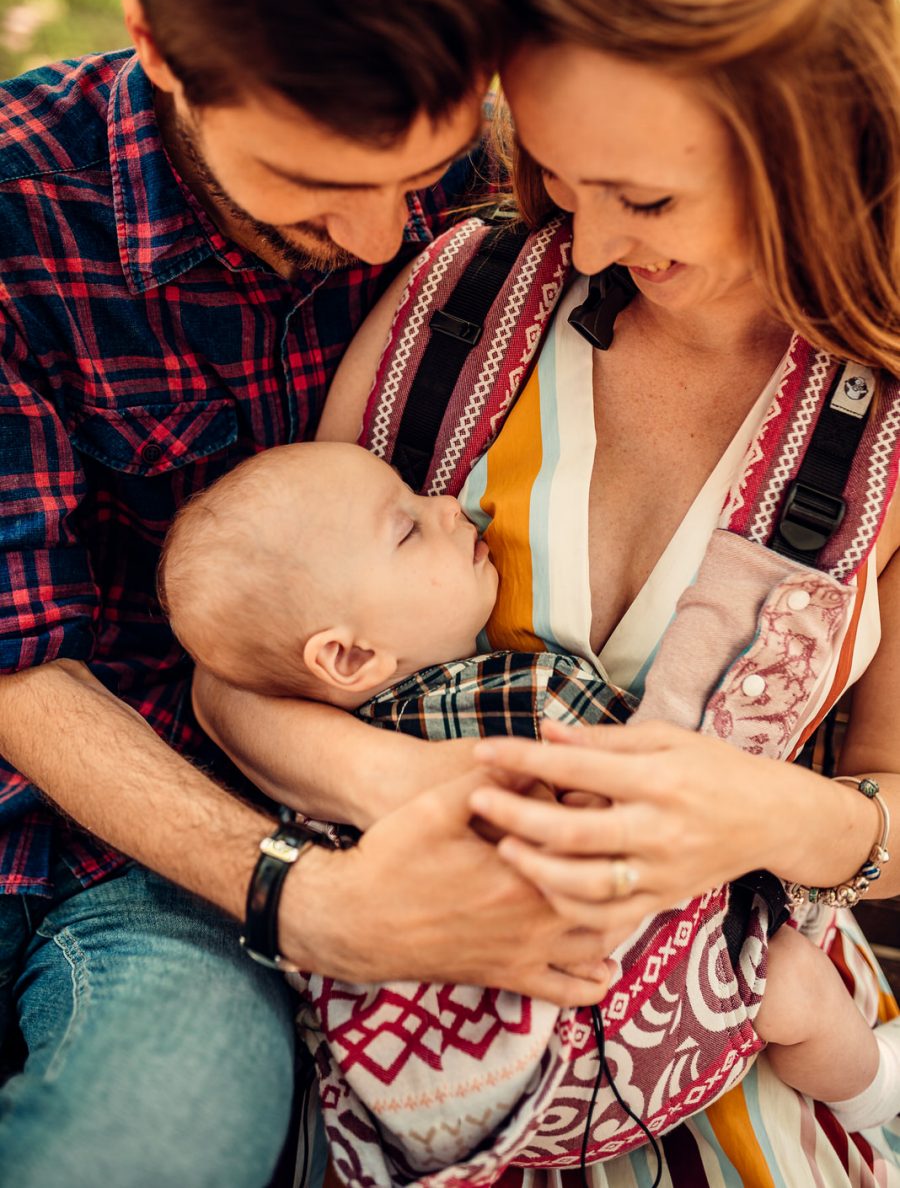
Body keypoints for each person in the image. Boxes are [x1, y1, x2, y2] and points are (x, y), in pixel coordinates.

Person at [197, 0, 900, 1184]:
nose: (578, 248)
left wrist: (764, 819)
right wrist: (413, 784)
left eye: (644, 197)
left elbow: (893, 801)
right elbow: (241, 677)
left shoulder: (888, 422)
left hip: (742, 1091)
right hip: (419, 1082)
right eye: (559, 180)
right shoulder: (451, 307)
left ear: (805, 121)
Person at [0, 0, 614, 1186]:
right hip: (179, 832)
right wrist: (308, 899)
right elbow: (15, 657)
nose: (386, 240)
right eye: (311, 182)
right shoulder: (17, 205)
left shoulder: (510, 196)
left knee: (149, 1148)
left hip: (165, 870)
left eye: (426, 167)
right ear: (158, 47)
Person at [161, 437, 899, 1180]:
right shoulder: (529, 698)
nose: (449, 505)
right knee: (791, 977)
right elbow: (686, 744)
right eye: (410, 527)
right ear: (348, 657)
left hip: (477, 1099)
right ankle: (872, 1088)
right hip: (636, 1027)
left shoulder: (307, 747)